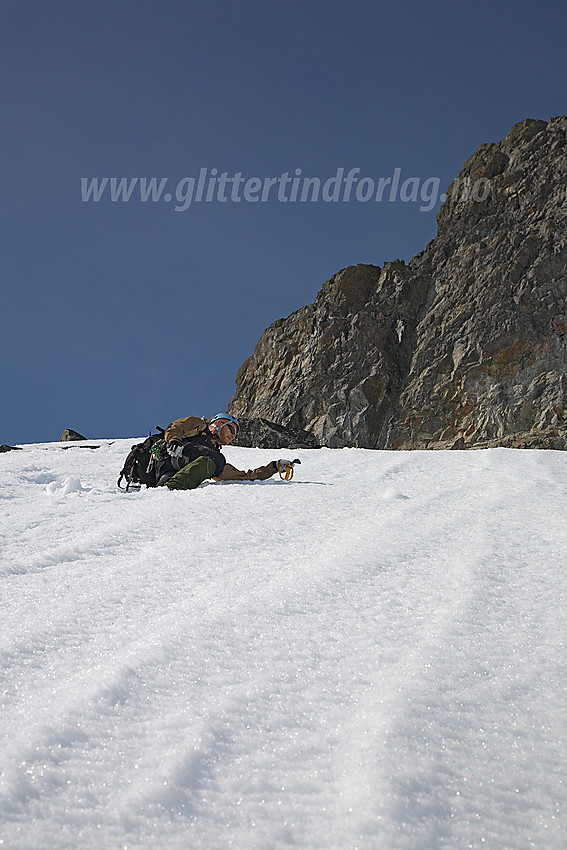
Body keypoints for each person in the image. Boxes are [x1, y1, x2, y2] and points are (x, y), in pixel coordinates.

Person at [155, 413, 294, 490]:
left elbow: (243, 476)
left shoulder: (212, 459)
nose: (233, 437)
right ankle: (172, 488)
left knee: (217, 461)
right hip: (166, 456)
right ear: (220, 424)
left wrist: (273, 467)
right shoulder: (198, 425)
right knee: (217, 459)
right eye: (232, 430)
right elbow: (175, 427)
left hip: (166, 473)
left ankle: (168, 490)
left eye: (235, 435)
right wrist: (173, 441)